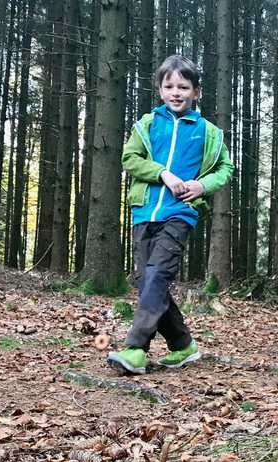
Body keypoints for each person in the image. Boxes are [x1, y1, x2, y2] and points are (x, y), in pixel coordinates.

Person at [107, 55, 233, 375]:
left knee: (158, 274)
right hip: (144, 210)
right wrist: (162, 173)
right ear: (160, 89)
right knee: (145, 279)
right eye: (169, 86)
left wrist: (202, 185)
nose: (176, 92)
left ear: (196, 92)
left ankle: (136, 348)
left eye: (184, 87)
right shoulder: (147, 124)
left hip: (180, 213)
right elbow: (129, 158)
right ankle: (183, 345)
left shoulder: (208, 132)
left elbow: (225, 169)